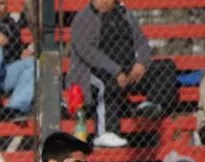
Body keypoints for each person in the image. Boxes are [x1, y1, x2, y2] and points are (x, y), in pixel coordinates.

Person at [67, 0, 178, 148]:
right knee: (105, 81)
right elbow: (88, 52)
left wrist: (141, 63)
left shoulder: (125, 14)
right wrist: (116, 70)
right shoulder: (83, 18)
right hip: (94, 72)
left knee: (166, 67)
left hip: (130, 70)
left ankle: (151, 105)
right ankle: (106, 132)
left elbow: (142, 42)